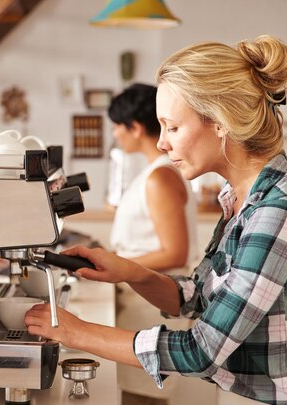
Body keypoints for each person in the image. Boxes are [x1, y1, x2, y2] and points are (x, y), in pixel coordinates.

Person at [25, 34, 287, 405]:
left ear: (221, 122)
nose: (162, 143)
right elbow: (196, 297)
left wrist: (77, 333)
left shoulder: (279, 212)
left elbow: (201, 350)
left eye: (173, 127)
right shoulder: (241, 201)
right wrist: (131, 271)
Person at [107, 83, 198, 405]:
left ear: (134, 127)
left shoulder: (160, 176)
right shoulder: (153, 173)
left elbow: (176, 252)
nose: (115, 134)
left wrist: (117, 265)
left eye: (117, 125)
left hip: (151, 302)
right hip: (140, 299)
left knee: (144, 397)